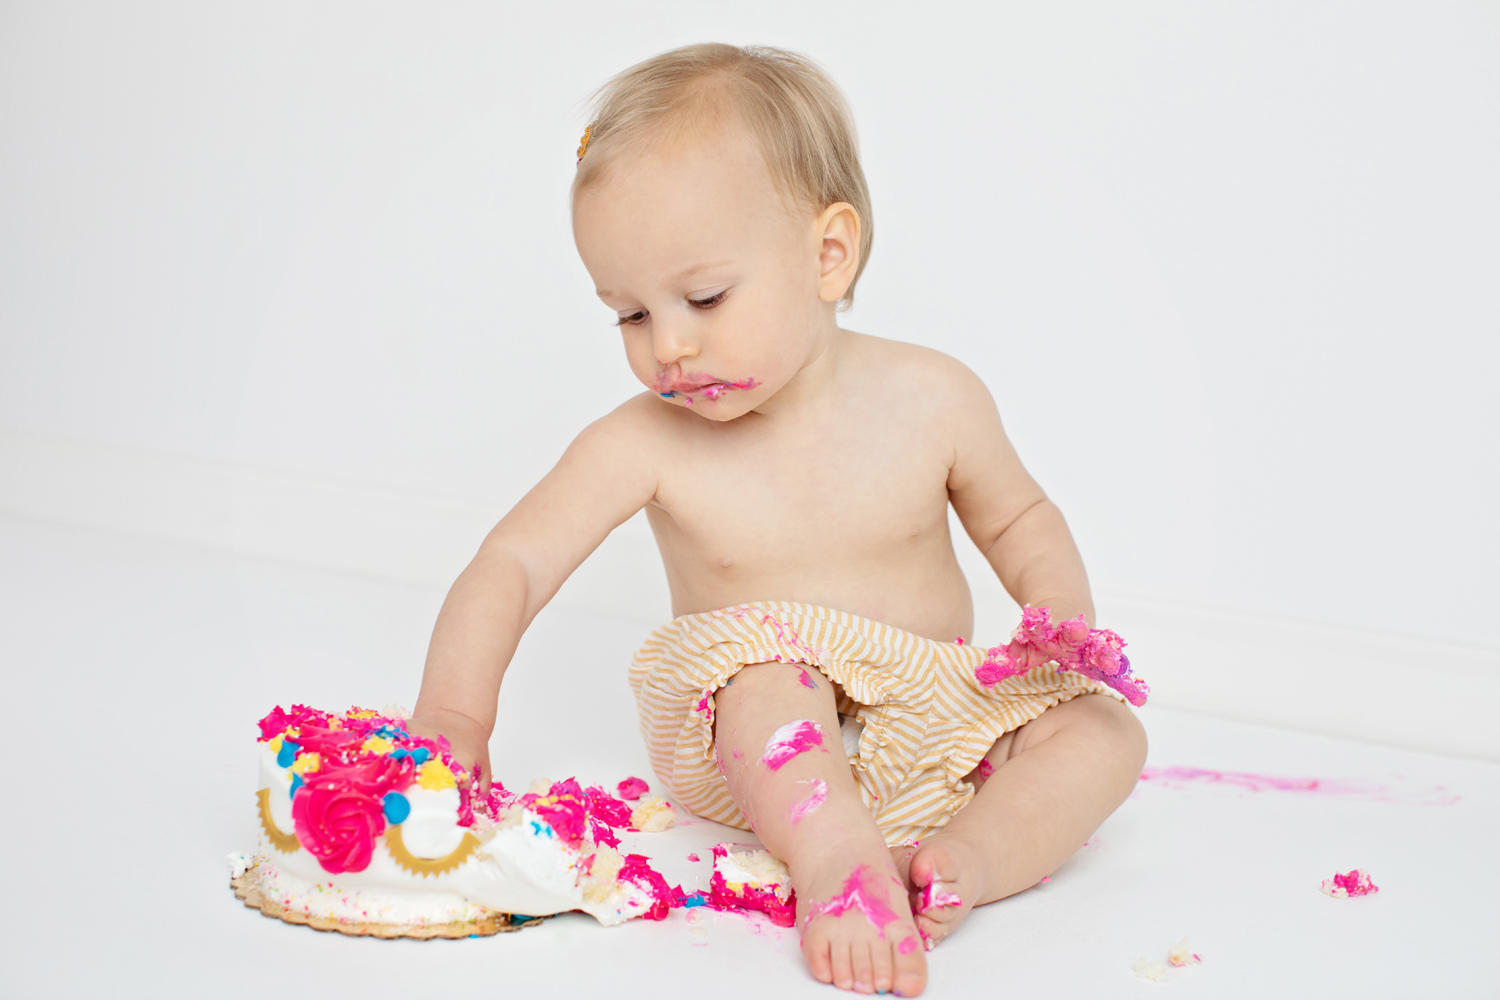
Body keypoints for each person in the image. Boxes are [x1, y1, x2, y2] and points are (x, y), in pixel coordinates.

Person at [408, 42, 1147, 997]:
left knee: (1105, 734)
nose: (668, 345)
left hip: (933, 721)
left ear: (827, 254)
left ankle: (970, 859)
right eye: (629, 314)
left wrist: (1061, 621)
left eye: (704, 297)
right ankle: (836, 864)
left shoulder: (935, 398)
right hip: (757, 736)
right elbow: (511, 562)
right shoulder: (645, 443)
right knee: (768, 682)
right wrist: (452, 712)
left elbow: (1022, 520)